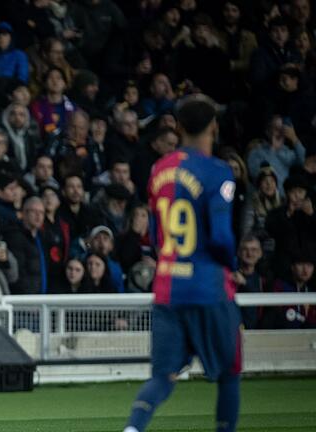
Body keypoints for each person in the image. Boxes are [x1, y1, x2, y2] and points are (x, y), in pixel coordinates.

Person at [123, 95, 241, 432]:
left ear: (177, 126)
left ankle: (132, 429)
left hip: (166, 287)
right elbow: (220, 237)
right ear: (213, 127)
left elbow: (159, 237)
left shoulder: (159, 169)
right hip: (208, 288)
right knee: (229, 372)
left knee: (163, 377)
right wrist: (232, 266)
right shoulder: (218, 171)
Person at [2, 197, 66, 295]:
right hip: (24, 300)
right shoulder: (15, 236)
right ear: (24, 213)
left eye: (41, 212)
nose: (38, 216)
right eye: (34, 211)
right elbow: (18, 275)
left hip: (42, 298)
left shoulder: (43, 236)